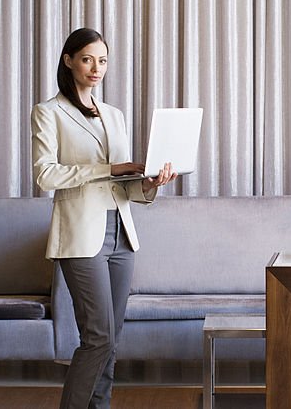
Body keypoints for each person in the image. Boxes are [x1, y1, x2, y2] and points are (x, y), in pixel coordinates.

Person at [30, 27, 176, 409]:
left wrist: (150, 183)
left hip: (122, 236)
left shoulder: (115, 115)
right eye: (87, 59)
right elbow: (45, 175)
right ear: (69, 61)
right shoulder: (49, 112)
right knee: (97, 336)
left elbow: (125, 185)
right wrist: (108, 169)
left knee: (111, 337)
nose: (96, 68)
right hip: (80, 235)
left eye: (103, 60)